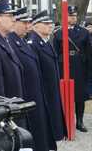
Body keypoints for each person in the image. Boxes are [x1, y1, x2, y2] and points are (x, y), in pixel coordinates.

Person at [7, 7, 52, 151]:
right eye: (24, 22)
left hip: (34, 99)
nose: (28, 26)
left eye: (29, 22)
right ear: (14, 22)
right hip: (25, 101)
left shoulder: (21, 42)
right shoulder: (12, 43)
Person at [27, 10, 66, 143]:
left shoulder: (45, 42)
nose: (50, 26)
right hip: (44, 93)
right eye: (46, 23)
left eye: (51, 23)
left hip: (51, 91)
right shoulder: (33, 44)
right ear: (35, 26)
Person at [53, 6, 92, 133]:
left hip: (79, 67)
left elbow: (88, 54)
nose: (73, 18)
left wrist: (89, 71)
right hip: (64, 67)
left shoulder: (84, 32)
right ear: (65, 17)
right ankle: (66, 121)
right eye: (70, 16)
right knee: (65, 95)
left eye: (74, 16)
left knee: (80, 96)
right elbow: (55, 52)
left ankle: (80, 121)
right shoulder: (58, 33)